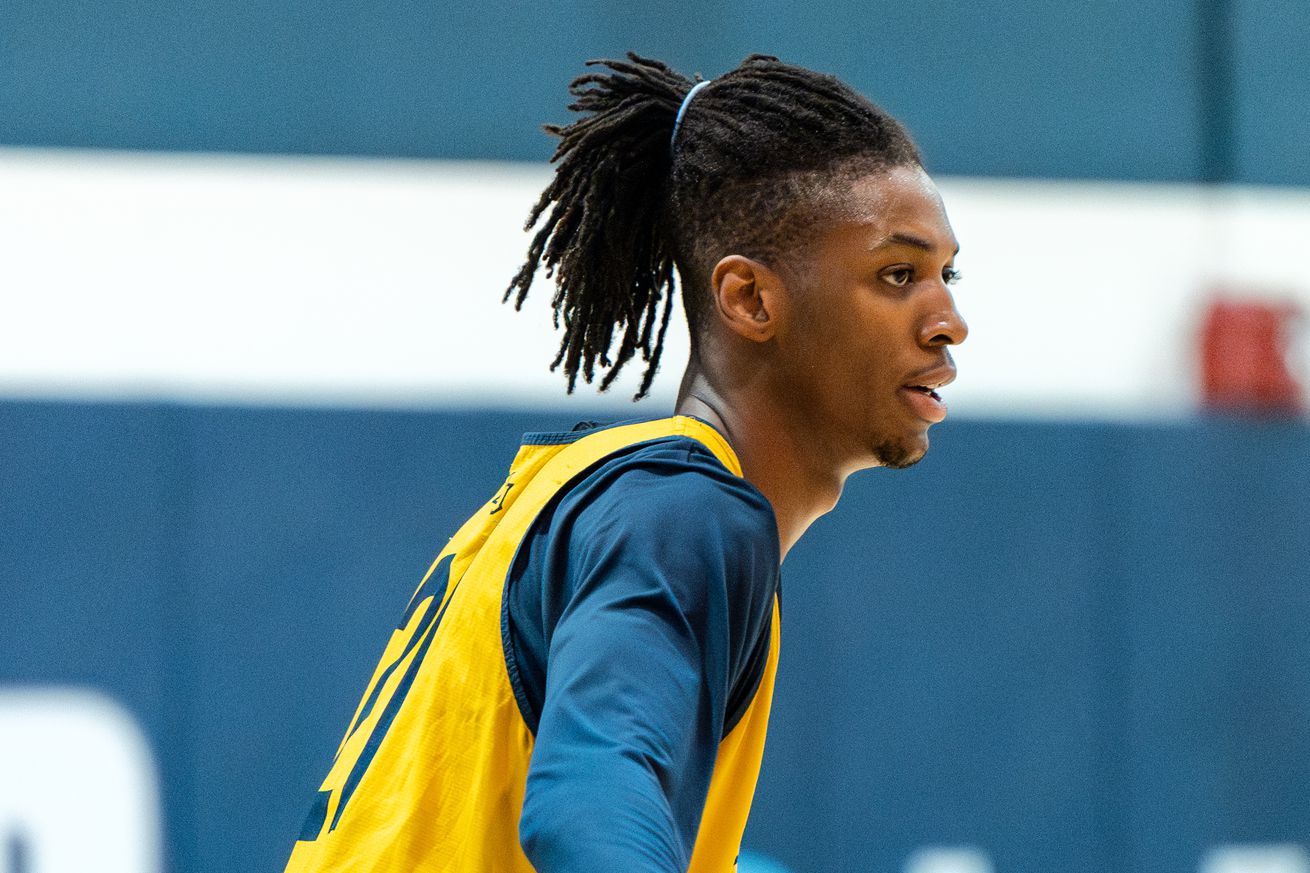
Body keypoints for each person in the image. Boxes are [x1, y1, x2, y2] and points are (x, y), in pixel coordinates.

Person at [283, 52, 966, 873]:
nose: (949, 321)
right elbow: (585, 803)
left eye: (946, 275)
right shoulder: (682, 512)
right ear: (750, 299)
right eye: (899, 275)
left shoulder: (611, 492)